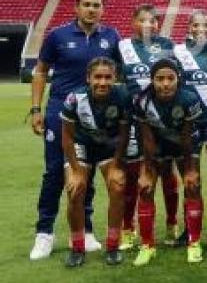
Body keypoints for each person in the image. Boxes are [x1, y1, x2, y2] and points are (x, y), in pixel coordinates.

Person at [29, 0, 121, 260]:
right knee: (55, 172)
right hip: (61, 110)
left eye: (97, 5)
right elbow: (41, 71)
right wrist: (36, 108)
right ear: (76, 8)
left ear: (103, 9)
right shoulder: (58, 35)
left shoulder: (112, 36)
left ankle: (86, 230)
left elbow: (120, 73)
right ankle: (44, 233)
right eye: (87, 5)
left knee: (86, 171)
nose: (92, 9)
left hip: (96, 114)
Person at [116, 4, 180, 250]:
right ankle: (128, 228)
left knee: (166, 172)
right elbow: (113, 75)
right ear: (133, 22)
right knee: (133, 176)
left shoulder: (169, 46)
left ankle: (172, 223)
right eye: (143, 20)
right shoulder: (122, 46)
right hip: (134, 120)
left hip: (162, 122)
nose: (149, 25)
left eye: (153, 21)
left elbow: (177, 79)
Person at [132, 58, 204, 266]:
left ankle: (194, 243)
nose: (165, 84)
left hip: (185, 146)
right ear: (152, 80)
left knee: (192, 185)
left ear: (178, 79)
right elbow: (146, 138)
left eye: (170, 78)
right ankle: (147, 246)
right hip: (156, 145)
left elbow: (187, 137)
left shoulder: (189, 99)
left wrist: (190, 169)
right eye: (159, 79)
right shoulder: (142, 101)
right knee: (145, 188)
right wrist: (147, 169)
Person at [60, 57, 131, 267]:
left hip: (109, 147)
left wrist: (117, 165)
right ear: (88, 78)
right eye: (97, 77)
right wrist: (74, 170)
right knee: (75, 189)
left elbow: (124, 134)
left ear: (115, 78)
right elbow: (67, 138)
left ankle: (112, 246)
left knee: (117, 186)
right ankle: (77, 247)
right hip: (81, 146)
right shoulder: (74, 98)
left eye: (108, 77)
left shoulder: (123, 96)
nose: (102, 82)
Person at [173, 9, 207, 249]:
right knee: (191, 180)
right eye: (196, 25)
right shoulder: (178, 52)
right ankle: (190, 229)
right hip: (189, 124)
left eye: (205, 24)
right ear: (189, 27)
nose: (201, 28)